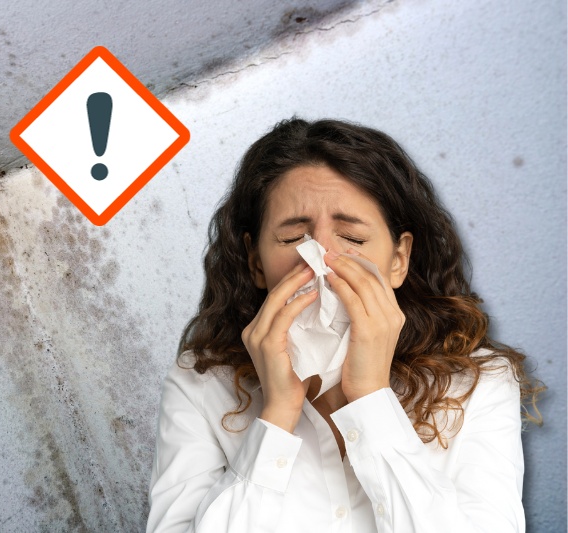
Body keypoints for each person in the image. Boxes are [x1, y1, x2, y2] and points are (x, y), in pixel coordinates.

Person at [146, 118, 544, 532]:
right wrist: (277, 416)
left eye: (352, 239)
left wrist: (371, 398)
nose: (319, 259)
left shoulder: (480, 384)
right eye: (292, 239)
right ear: (255, 261)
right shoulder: (200, 383)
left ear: (398, 259)